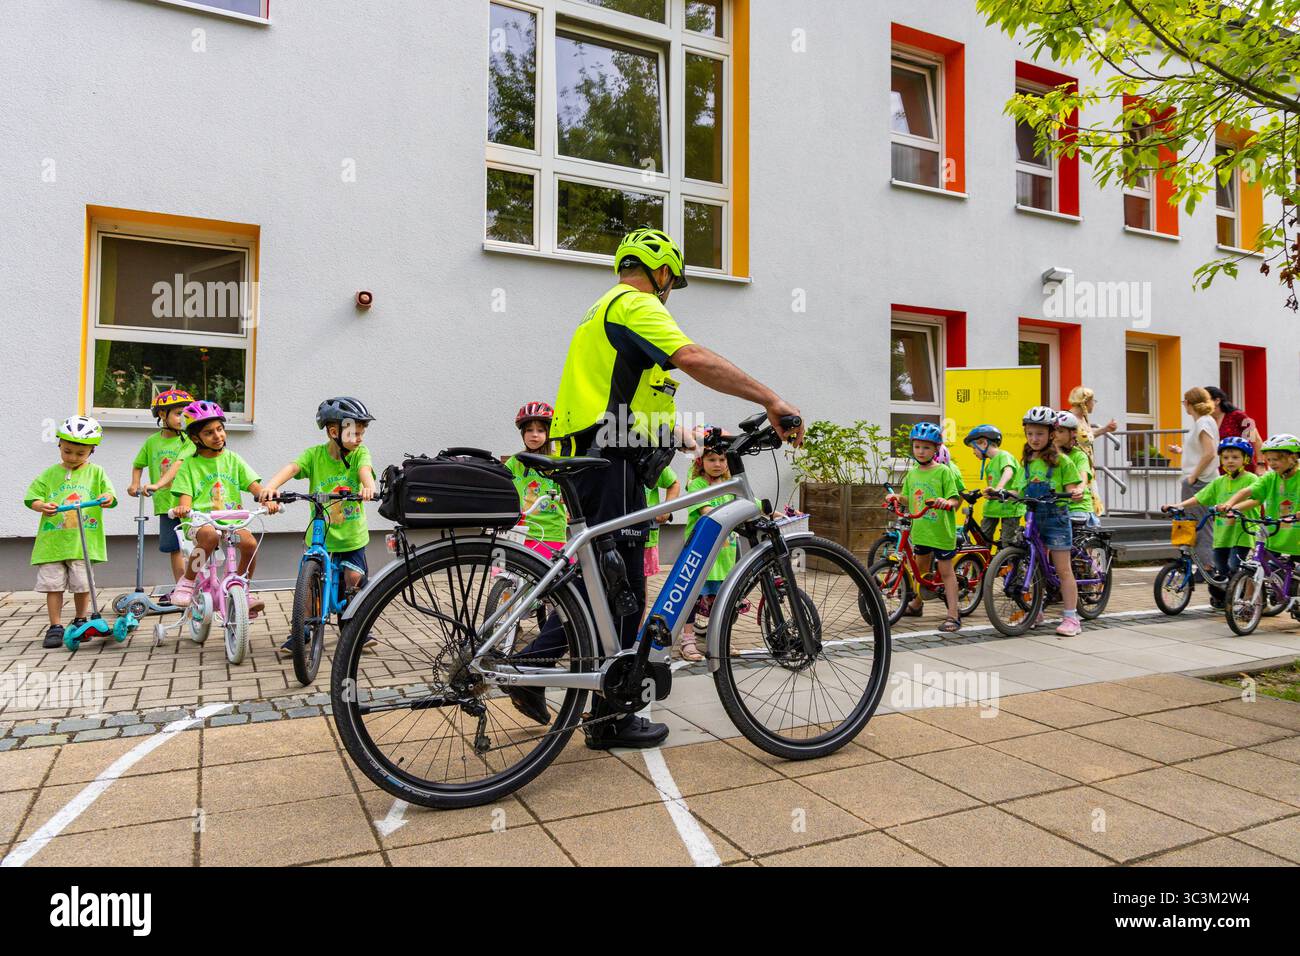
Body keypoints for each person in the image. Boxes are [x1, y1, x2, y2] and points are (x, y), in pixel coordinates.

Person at [510, 228, 803, 750]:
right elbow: (692, 357)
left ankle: (598, 708)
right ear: (662, 272)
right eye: (672, 282)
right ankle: (568, 688)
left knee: (605, 577)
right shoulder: (635, 303)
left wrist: (689, 436)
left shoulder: (603, 308)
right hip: (609, 457)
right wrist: (770, 398)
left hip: (595, 449)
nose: (670, 292)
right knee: (620, 585)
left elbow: (634, 403)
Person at [261, 397, 378, 652]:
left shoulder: (360, 454)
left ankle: (356, 628)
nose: (359, 438)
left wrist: (369, 488)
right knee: (310, 586)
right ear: (334, 431)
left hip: (351, 535)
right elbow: (293, 468)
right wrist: (271, 487)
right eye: (354, 432)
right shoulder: (315, 455)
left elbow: (365, 472)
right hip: (320, 533)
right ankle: (301, 631)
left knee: (355, 579)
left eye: (362, 433)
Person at [170, 401, 280, 614]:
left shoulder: (233, 460)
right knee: (210, 537)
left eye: (220, 429)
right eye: (209, 432)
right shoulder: (189, 466)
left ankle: (241, 588)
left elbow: (256, 488)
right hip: (201, 519)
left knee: (249, 543)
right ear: (195, 438)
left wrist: (268, 500)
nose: (217, 435)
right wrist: (183, 509)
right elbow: (184, 500)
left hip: (232, 518)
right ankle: (188, 580)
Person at [26, 417, 117, 649]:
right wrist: (40, 505)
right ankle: (55, 626)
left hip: (81, 542)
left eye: (80, 453)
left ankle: (80, 620)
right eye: (67, 451)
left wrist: (107, 498)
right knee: (53, 585)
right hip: (53, 543)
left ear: (91, 451)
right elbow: (32, 497)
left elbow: (109, 495)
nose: (73, 457)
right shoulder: (49, 474)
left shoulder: (96, 473)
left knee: (82, 584)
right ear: (59, 445)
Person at [1164, 437, 1257, 608]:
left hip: (1242, 535)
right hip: (1222, 536)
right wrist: (1178, 505)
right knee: (1220, 570)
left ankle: (1244, 600)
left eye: (1235, 457)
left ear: (1245, 459)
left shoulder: (1251, 479)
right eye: (1226, 457)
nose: (1230, 461)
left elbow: (1255, 499)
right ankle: (1223, 597)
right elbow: (1199, 498)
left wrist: (1233, 507)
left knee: (1236, 568)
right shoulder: (1219, 482)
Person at [888, 422, 963, 633]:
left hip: (940, 532)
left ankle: (953, 616)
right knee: (920, 572)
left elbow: (955, 500)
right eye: (917, 447)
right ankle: (917, 605)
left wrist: (946, 502)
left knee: (946, 572)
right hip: (920, 531)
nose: (921, 451)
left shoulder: (943, 472)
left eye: (926, 447)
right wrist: (895, 497)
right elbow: (908, 499)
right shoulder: (912, 474)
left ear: (936, 449)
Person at [1021, 405, 1086, 636]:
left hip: (1056, 518)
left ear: (1051, 434)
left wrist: (1075, 492)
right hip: (1033, 517)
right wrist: (1003, 492)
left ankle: (1071, 618)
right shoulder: (1027, 461)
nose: (1034, 438)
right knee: (1034, 566)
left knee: (1062, 569)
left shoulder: (1062, 461)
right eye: (1030, 433)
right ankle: (1036, 610)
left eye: (1039, 433)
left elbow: (1072, 487)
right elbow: (1019, 487)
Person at [126, 388, 195, 597]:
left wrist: (157, 484)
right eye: (177, 413)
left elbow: (177, 467)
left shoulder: (188, 440)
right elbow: (138, 464)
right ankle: (181, 589)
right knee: (174, 548)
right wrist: (134, 483)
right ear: (162, 415)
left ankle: (197, 586)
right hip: (166, 506)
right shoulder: (152, 442)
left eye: (185, 414)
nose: (182, 418)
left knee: (193, 547)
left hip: (188, 503)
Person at [681, 447, 740, 661]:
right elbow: (707, 511)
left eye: (722, 459)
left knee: (723, 600)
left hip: (724, 557)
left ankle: (718, 638)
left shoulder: (729, 486)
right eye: (712, 459)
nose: (718, 464)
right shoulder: (697, 485)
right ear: (700, 462)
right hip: (701, 553)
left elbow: (752, 503)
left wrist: (774, 512)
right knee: (692, 599)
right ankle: (688, 640)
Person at [1222, 433, 1300, 570]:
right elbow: (1247, 491)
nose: (1271, 463)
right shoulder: (1270, 477)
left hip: (1296, 537)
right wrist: (1229, 504)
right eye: (1269, 460)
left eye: (1276, 459)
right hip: (1274, 534)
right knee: (1258, 568)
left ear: (1293, 457)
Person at [502, 402, 568, 557]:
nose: (534, 434)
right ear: (523, 433)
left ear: (548, 434)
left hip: (551, 531)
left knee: (553, 576)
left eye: (540, 430)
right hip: (520, 530)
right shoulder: (515, 462)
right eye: (529, 430)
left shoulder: (555, 463)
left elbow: (565, 494)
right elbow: (503, 486)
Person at [1168, 387, 1220, 578]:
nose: (1184, 406)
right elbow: (1202, 451)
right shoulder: (1205, 421)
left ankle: (1207, 566)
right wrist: (1181, 451)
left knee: (1199, 524)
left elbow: (1210, 453)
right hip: (1202, 478)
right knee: (1198, 523)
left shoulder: (1202, 423)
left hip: (1200, 481)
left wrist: (1193, 476)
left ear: (1189, 403)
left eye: (1184, 402)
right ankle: (1204, 563)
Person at [965, 424, 1023, 548]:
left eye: (973, 448)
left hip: (1010, 508)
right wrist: (989, 494)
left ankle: (1009, 566)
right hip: (993, 508)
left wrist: (999, 488)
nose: (973, 452)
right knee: (982, 539)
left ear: (983, 443)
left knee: (1008, 542)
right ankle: (983, 566)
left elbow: (1009, 470)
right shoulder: (990, 464)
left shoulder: (1004, 456)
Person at [1067, 385, 1116, 518]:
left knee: (1089, 500)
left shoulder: (1083, 419)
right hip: (1074, 465)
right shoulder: (1069, 419)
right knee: (1079, 496)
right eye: (1092, 401)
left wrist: (1105, 429)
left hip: (1087, 465)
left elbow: (1086, 438)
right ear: (1085, 401)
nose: (1093, 404)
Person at [1054, 410, 1099, 530]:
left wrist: (1079, 489)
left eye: (1060, 431)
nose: (1056, 434)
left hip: (1077, 507)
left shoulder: (1079, 455)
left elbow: (1083, 476)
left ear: (1072, 433)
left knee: (1075, 540)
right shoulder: (1047, 455)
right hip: (1054, 506)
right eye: (1053, 431)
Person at [1204, 386, 1261, 469]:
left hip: (1242, 469)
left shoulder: (1237, 416)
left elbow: (1255, 439)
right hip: (1218, 469)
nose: (1201, 405)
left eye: (1205, 401)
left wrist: (1261, 464)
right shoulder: (1206, 420)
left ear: (1217, 401)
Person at [643, 462, 680, 578]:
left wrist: (666, 509)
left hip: (647, 535)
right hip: (617, 531)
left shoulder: (651, 459)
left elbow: (674, 484)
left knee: (640, 579)